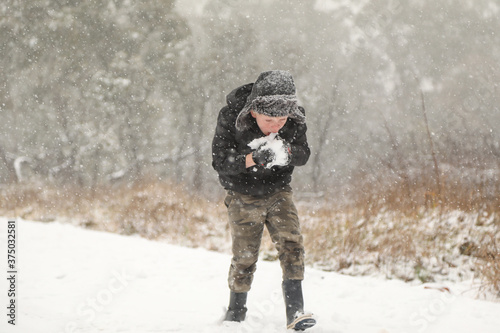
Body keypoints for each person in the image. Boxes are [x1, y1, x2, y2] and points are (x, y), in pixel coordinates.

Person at [211, 70, 316, 331]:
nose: (276, 125)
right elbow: (220, 162)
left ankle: (296, 311)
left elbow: (304, 153)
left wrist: (288, 152)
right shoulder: (230, 116)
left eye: (282, 119)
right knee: (245, 256)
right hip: (242, 194)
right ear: (253, 112)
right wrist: (252, 159)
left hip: (279, 191)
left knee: (292, 245)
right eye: (269, 119)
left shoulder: (294, 119)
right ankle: (236, 312)